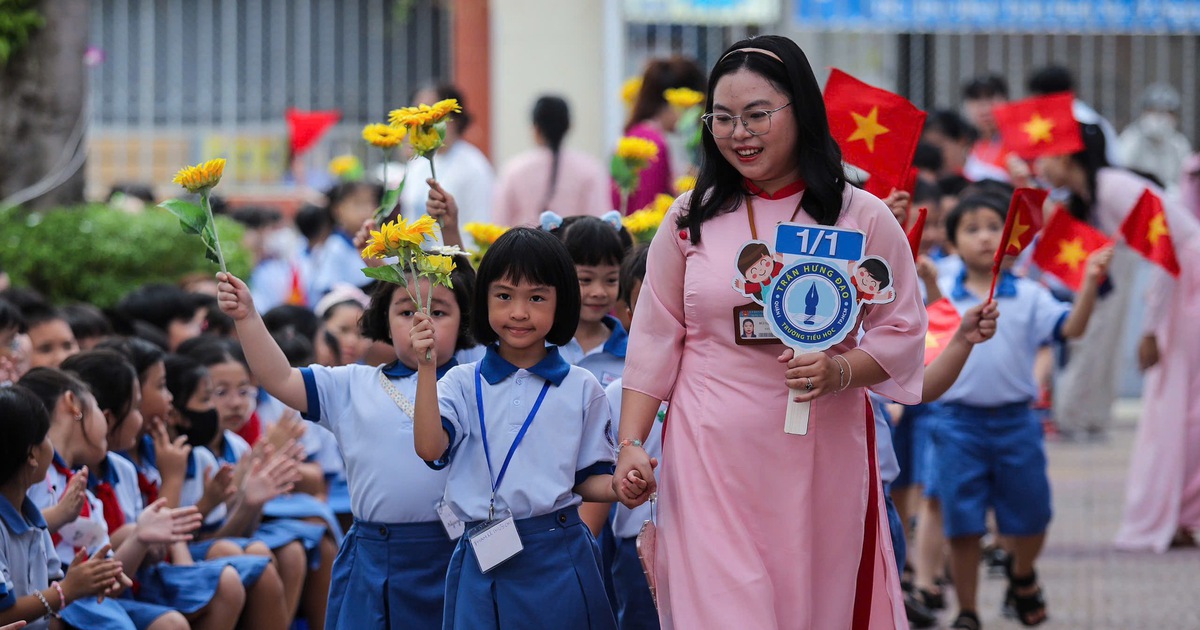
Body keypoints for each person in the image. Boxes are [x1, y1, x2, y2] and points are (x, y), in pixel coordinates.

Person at [613, 36, 926, 628]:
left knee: (812, 605)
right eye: (723, 118)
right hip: (709, 449)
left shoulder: (860, 215)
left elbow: (904, 329)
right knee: (729, 610)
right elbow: (655, 337)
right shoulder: (689, 218)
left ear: (800, 111)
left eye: (757, 115)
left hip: (820, 453)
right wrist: (631, 444)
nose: (739, 134)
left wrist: (840, 370)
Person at [214, 255, 477, 628]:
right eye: (406, 311)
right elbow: (279, 378)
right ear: (384, 318)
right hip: (373, 555)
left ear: (465, 320)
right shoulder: (350, 384)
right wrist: (247, 317)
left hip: (456, 552)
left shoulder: (477, 382)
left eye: (438, 311)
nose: (422, 322)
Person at [411, 228, 624, 629]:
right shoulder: (459, 382)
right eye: (504, 296)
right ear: (484, 299)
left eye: (537, 297)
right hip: (483, 550)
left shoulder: (582, 387)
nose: (519, 312)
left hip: (559, 553)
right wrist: (427, 368)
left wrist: (619, 487)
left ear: (562, 304)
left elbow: (590, 478)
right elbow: (429, 448)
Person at [932, 194, 1112, 629]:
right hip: (957, 424)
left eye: (994, 226)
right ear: (953, 242)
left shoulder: (1030, 294)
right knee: (963, 525)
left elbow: (1071, 329)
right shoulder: (940, 287)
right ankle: (969, 610)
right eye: (971, 229)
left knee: (1032, 515)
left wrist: (1088, 284)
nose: (984, 237)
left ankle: (1023, 574)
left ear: (1011, 238)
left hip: (1016, 422)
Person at [1034, 123, 1152, 440]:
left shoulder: (1109, 186)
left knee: (1100, 340)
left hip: (1118, 266)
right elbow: (1058, 224)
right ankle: (1078, 415)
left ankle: (1083, 416)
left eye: (1048, 157)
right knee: (1090, 340)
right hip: (1104, 269)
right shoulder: (1084, 192)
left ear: (1067, 158)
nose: (1041, 165)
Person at [1113, 154, 1200, 552]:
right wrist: (1151, 330)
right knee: (1181, 418)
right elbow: (1165, 267)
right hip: (1183, 321)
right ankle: (1182, 514)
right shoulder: (1180, 223)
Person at [0, 385, 126, 630]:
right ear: (32, 455)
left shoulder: (30, 517)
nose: (52, 446)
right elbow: (4, 614)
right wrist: (67, 590)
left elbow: (48, 589)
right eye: (46, 437)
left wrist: (90, 577)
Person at [494, 96, 611, 227]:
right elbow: (600, 223)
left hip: (525, 247)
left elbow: (500, 224)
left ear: (535, 128)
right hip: (575, 246)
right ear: (569, 126)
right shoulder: (590, 169)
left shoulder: (514, 169)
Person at [613, 57, 706, 214]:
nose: (695, 117)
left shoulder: (641, 134)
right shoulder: (651, 143)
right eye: (695, 107)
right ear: (674, 100)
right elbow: (646, 209)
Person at [401, 84, 496, 229]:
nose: (423, 121)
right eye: (418, 114)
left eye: (431, 113)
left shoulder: (474, 167)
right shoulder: (418, 164)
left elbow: (482, 222)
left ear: (453, 119)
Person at [1117, 83, 1192, 192]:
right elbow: (1121, 172)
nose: (1160, 118)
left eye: (1167, 112)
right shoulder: (1131, 139)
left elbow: (1187, 180)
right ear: (1143, 113)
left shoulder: (1179, 144)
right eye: (1153, 110)